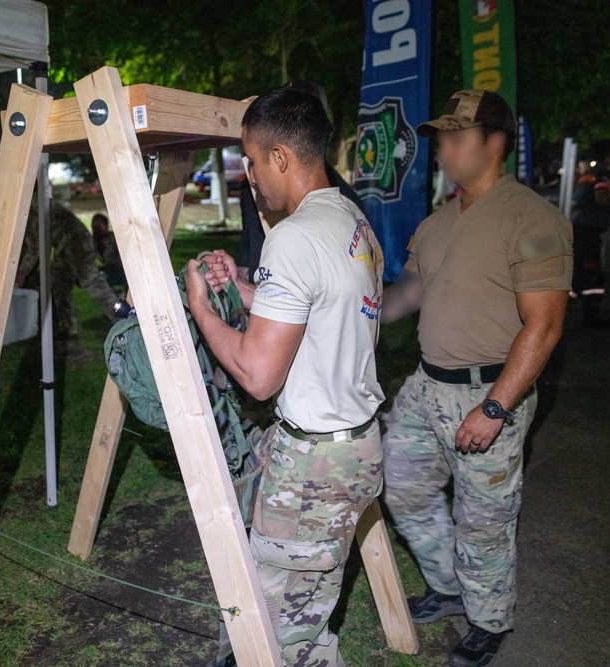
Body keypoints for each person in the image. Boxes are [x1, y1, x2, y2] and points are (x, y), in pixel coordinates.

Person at [187, 86, 385, 667]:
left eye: (250, 159)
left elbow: (257, 374)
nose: (248, 175)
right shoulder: (347, 218)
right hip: (355, 445)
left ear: (280, 158)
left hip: (317, 466)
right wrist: (243, 289)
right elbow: (318, 308)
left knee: (271, 638)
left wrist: (202, 308)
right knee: (307, 613)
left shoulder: (294, 236)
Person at [379, 90, 573, 667]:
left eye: (457, 136)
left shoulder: (535, 221)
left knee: (483, 521)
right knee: (401, 485)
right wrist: (361, 308)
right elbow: (409, 292)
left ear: (495, 142)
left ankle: (487, 622)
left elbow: (546, 325)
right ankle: (447, 586)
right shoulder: (438, 222)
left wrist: (495, 408)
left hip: (488, 391)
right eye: (441, 137)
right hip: (425, 385)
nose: (443, 148)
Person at [235, 79, 364, 284]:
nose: (252, 178)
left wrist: (200, 303)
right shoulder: (353, 211)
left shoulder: (290, 237)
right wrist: (237, 283)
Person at [17, 200, 121, 354]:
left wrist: (22, 272)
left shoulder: (31, 208)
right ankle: (68, 328)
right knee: (60, 286)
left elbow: (35, 247)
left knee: (95, 286)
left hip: (78, 245)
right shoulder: (30, 206)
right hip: (64, 249)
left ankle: (122, 322)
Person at [569, 139, 610, 326]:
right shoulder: (604, 173)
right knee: (592, 273)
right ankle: (590, 316)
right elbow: (602, 198)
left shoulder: (589, 172)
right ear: (608, 154)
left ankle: (566, 307)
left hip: (579, 227)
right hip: (589, 231)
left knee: (579, 270)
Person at [90, 212, 125, 289]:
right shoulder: (95, 242)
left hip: (123, 272)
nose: (96, 229)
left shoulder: (113, 240)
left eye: (99, 226)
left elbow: (117, 264)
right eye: (94, 226)